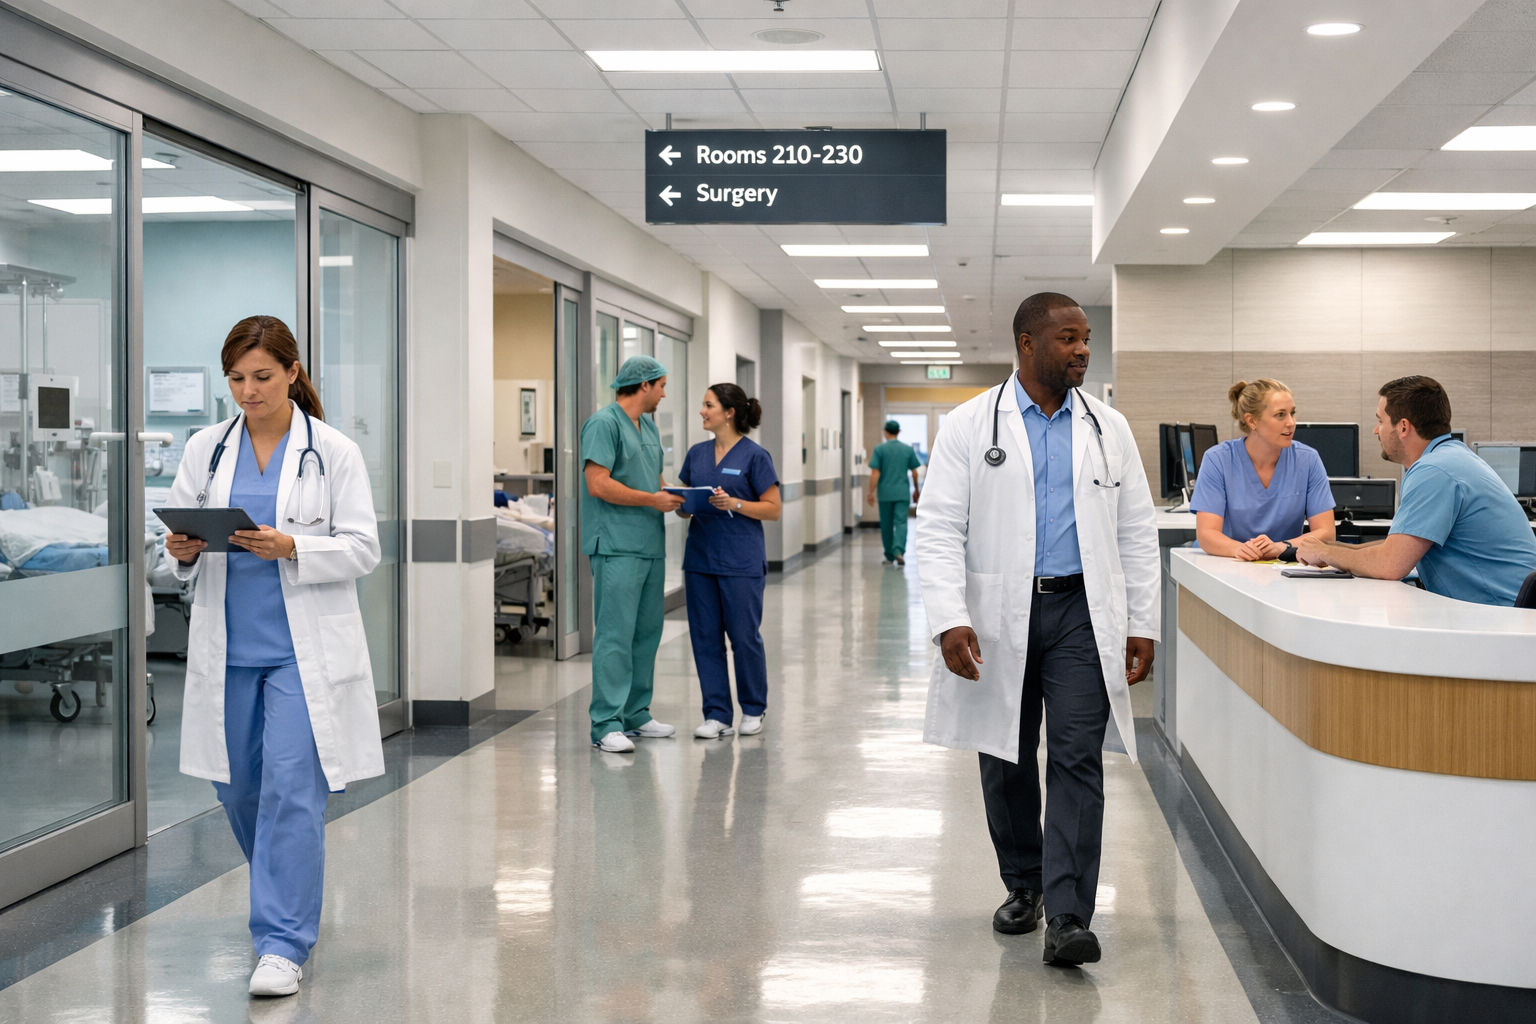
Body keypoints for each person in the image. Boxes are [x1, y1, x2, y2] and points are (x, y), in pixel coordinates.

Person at [914, 292, 1159, 966]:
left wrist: (1142, 622)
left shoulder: (1110, 427)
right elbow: (935, 529)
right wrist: (948, 618)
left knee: (1078, 756)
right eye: (1068, 339)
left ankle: (1071, 915)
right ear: (1027, 343)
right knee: (1007, 755)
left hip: (1082, 611)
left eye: (1086, 339)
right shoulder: (969, 426)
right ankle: (1023, 885)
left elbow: (1136, 531)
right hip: (999, 613)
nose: (1082, 349)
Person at [163, 315, 382, 998]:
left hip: (301, 651)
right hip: (227, 645)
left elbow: (363, 548)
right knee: (238, 789)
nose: (248, 391)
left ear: (292, 372)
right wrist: (180, 552)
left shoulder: (334, 451)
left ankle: (282, 941)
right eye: (236, 379)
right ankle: (285, 887)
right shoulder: (207, 447)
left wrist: (295, 547)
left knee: (292, 791)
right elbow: (174, 538)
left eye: (262, 377)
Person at [1296, 375, 1536, 604]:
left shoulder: (1434, 470)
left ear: (1403, 427)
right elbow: (1396, 549)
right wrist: (1329, 549)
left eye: (1380, 421)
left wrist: (1326, 555)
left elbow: (1389, 564)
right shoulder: (1452, 458)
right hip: (1510, 612)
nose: (1376, 430)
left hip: (1503, 618)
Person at [581, 355, 685, 753]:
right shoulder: (604, 424)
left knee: (645, 633)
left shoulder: (649, 427)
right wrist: (651, 500)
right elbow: (598, 484)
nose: (663, 392)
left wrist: (677, 497)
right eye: (661, 385)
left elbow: (654, 480)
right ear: (644, 385)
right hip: (616, 546)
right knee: (614, 636)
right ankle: (606, 722)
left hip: (648, 545)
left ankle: (636, 713)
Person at [676, 383, 781, 739]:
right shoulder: (696, 454)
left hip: (741, 562)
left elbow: (773, 509)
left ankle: (753, 708)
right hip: (700, 560)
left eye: (708, 405)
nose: (703, 412)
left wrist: (734, 503)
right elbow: (685, 505)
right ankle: (717, 714)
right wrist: (683, 505)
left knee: (743, 637)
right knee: (705, 638)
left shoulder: (755, 456)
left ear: (729, 412)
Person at [1192, 379, 1336, 561]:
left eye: (1292, 413)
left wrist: (1281, 547)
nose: (1291, 423)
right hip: (1226, 561)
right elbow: (1207, 534)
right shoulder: (1218, 459)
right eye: (1280, 415)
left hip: (1281, 566)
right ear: (1252, 421)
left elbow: (1327, 533)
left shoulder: (1308, 460)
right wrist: (1242, 550)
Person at [866, 420, 922, 565]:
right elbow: (915, 473)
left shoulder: (880, 449)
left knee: (886, 524)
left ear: (885, 432)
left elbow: (875, 473)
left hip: (885, 493)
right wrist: (916, 489)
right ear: (899, 432)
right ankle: (898, 551)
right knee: (902, 522)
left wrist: (870, 492)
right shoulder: (907, 450)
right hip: (902, 493)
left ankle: (890, 556)